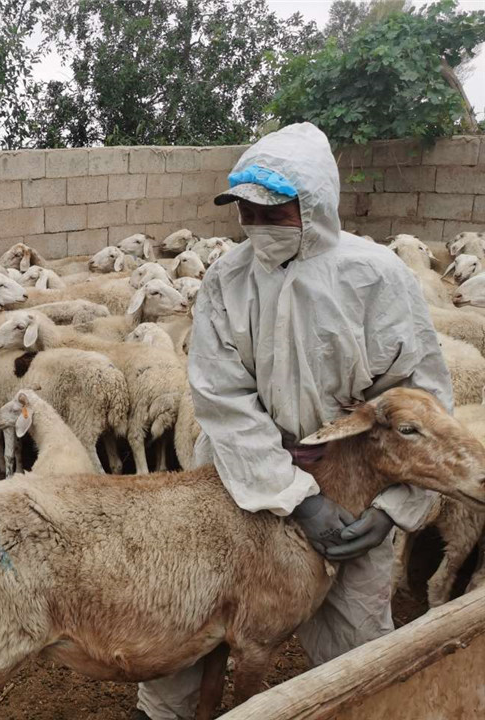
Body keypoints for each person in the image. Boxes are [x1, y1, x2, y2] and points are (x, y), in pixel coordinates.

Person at [135, 123, 452, 719]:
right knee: (192, 610)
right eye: (246, 213)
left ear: (314, 204)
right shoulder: (229, 279)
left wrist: (391, 510)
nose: (257, 226)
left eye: (273, 212)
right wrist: (295, 497)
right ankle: (166, 712)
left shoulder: (376, 276)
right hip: (239, 484)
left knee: (358, 638)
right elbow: (222, 396)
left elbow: (420, 402)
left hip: (353, 488)